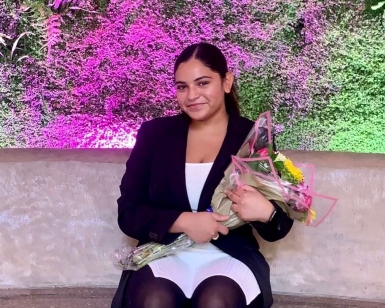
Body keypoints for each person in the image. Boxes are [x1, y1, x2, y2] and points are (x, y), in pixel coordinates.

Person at [111, 42, 294, 308]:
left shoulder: (251, 137)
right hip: (164, 253)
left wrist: (266, 212)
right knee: (153, 300)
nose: (192, 95)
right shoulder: (155, 135)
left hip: (230, 255)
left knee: (217, 301)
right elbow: (128, 213)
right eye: (182, 87)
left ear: (227, 81)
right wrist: (183, 221)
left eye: (203, 83)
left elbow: (280, 226)